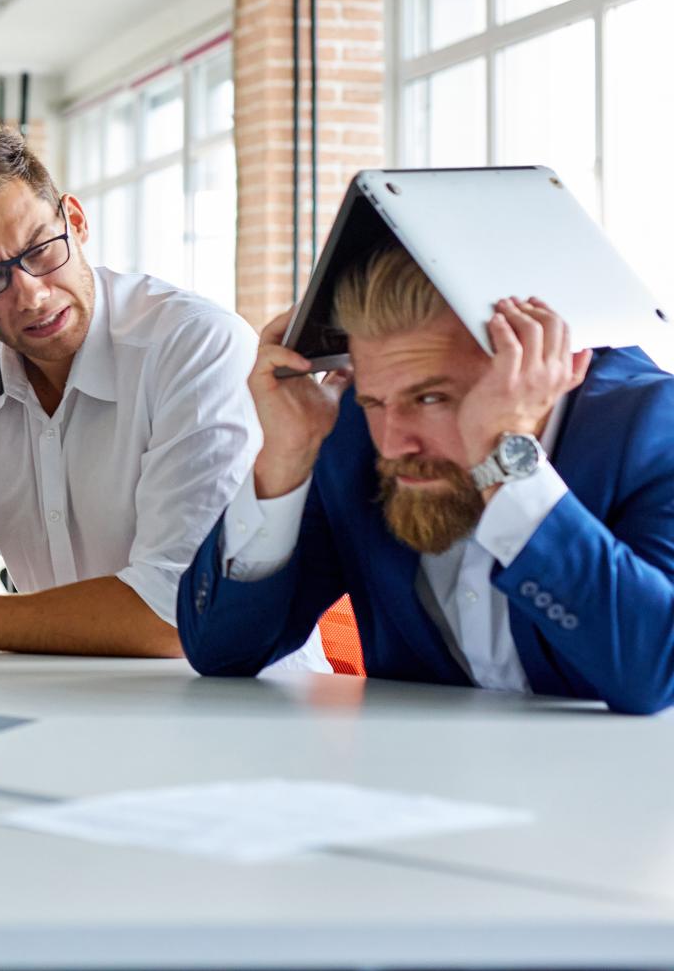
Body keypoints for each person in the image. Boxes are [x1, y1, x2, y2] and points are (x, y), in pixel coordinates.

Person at [0, 129, 316, 666]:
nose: (32, 294)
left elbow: (177, 614)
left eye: (40, 250)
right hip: (69, 707)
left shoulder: (195, 345)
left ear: (76, 221)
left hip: (244, 715)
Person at [177, 245, 674, 714]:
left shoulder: (656, 428)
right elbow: (223, 652)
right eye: (374, 401)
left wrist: (505, 459)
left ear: (556, 364)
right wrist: (285, 457)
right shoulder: (351, 432)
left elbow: (654, 669)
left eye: (431, 398)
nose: (393, 445)